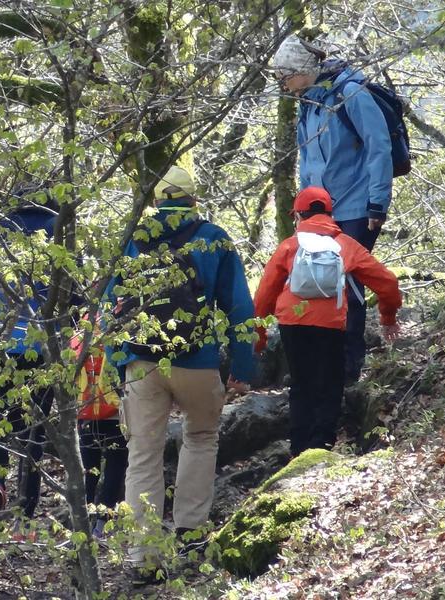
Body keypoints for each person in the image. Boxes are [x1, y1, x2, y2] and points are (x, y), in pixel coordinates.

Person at [106, 165, 254, 585]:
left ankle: (144, 556)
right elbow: (239, 307)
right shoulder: (213, 238)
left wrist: (119, 364)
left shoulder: (132, 237)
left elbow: (109, 307)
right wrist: (242, 367)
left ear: (155, 201)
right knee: (201, 437)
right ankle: (190, 532)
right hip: (196, 359)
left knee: (143, 454)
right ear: (193, 199)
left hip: (141, 362)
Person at [271, 35, 395, 383]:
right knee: (316, 282)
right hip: (320, 213)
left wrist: (377, 202)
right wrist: (303, 207)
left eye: (284, 76)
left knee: (350, 284)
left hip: (357, 206)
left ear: (301, 70)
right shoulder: (307, 103)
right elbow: (308, 159)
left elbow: (379, 147)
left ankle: (348, 370)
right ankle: (322, 366)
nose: (283, 85)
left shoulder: (351, 94)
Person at [254, 186, 401, 456]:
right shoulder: (345, 244)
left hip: (292, 324)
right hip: (331, 324)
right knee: (330, 383)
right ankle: (321, 447)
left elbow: (264, 295)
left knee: (301, 384)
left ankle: (299, 450)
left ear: (299, 215)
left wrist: (259, 334)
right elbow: (388, 282)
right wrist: (388, 317)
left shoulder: (289, 246)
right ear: (330, 214)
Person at [0, 191, 58, 540]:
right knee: (35, 429)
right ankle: (26, 509)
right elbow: (75, 291)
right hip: (38, 345)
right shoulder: (55, 228)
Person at [71, 318, 128, 541]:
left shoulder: (80, 330)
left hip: (85, 411)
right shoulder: (121, 323)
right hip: (115, 409)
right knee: (115, 467)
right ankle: (102, 524)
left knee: (88, 470)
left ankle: (82, 525)